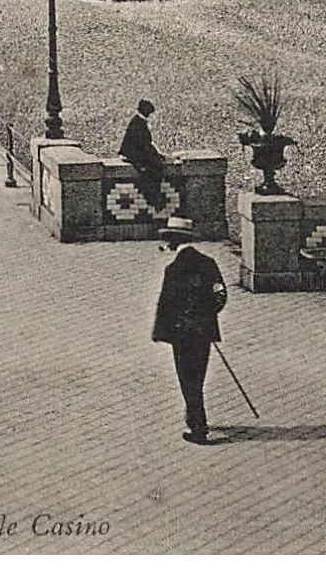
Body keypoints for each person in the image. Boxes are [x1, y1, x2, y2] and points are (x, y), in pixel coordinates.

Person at [152, 220, 228, 445]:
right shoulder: (208, 263)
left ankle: (198, 426)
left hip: (182, 333)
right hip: (203, 331)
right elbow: (220, 293)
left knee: (187, 379)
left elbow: (165, 304)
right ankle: (194, 415)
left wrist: (164, 331)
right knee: (198, 376)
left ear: (174, 242)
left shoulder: (173, 270)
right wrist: (208, 315)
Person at [121, 100, 170, 211]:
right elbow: (144, 145)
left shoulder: (137, 121)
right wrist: (156, 157)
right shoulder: (139, 123)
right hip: (133, 156)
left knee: (153, 168)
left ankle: (153, 198)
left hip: (133, 154)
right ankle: (153, 199)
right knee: (153, 169)